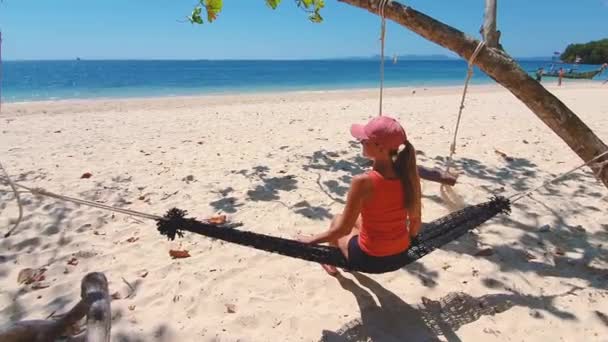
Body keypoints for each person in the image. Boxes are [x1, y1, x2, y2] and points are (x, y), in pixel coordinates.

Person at [298, 116, 422, 275]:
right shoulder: (410, 177)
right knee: (357, 220)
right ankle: (341, 260)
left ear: (380, 148)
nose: (360, 142)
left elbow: (342, 230)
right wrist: (410, 241)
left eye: (364, 140)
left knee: (337, 219)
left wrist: (311, 240)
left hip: (371, 260)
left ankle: (331, 262)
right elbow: (415, 220)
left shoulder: (363, 182)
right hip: (401, 254)